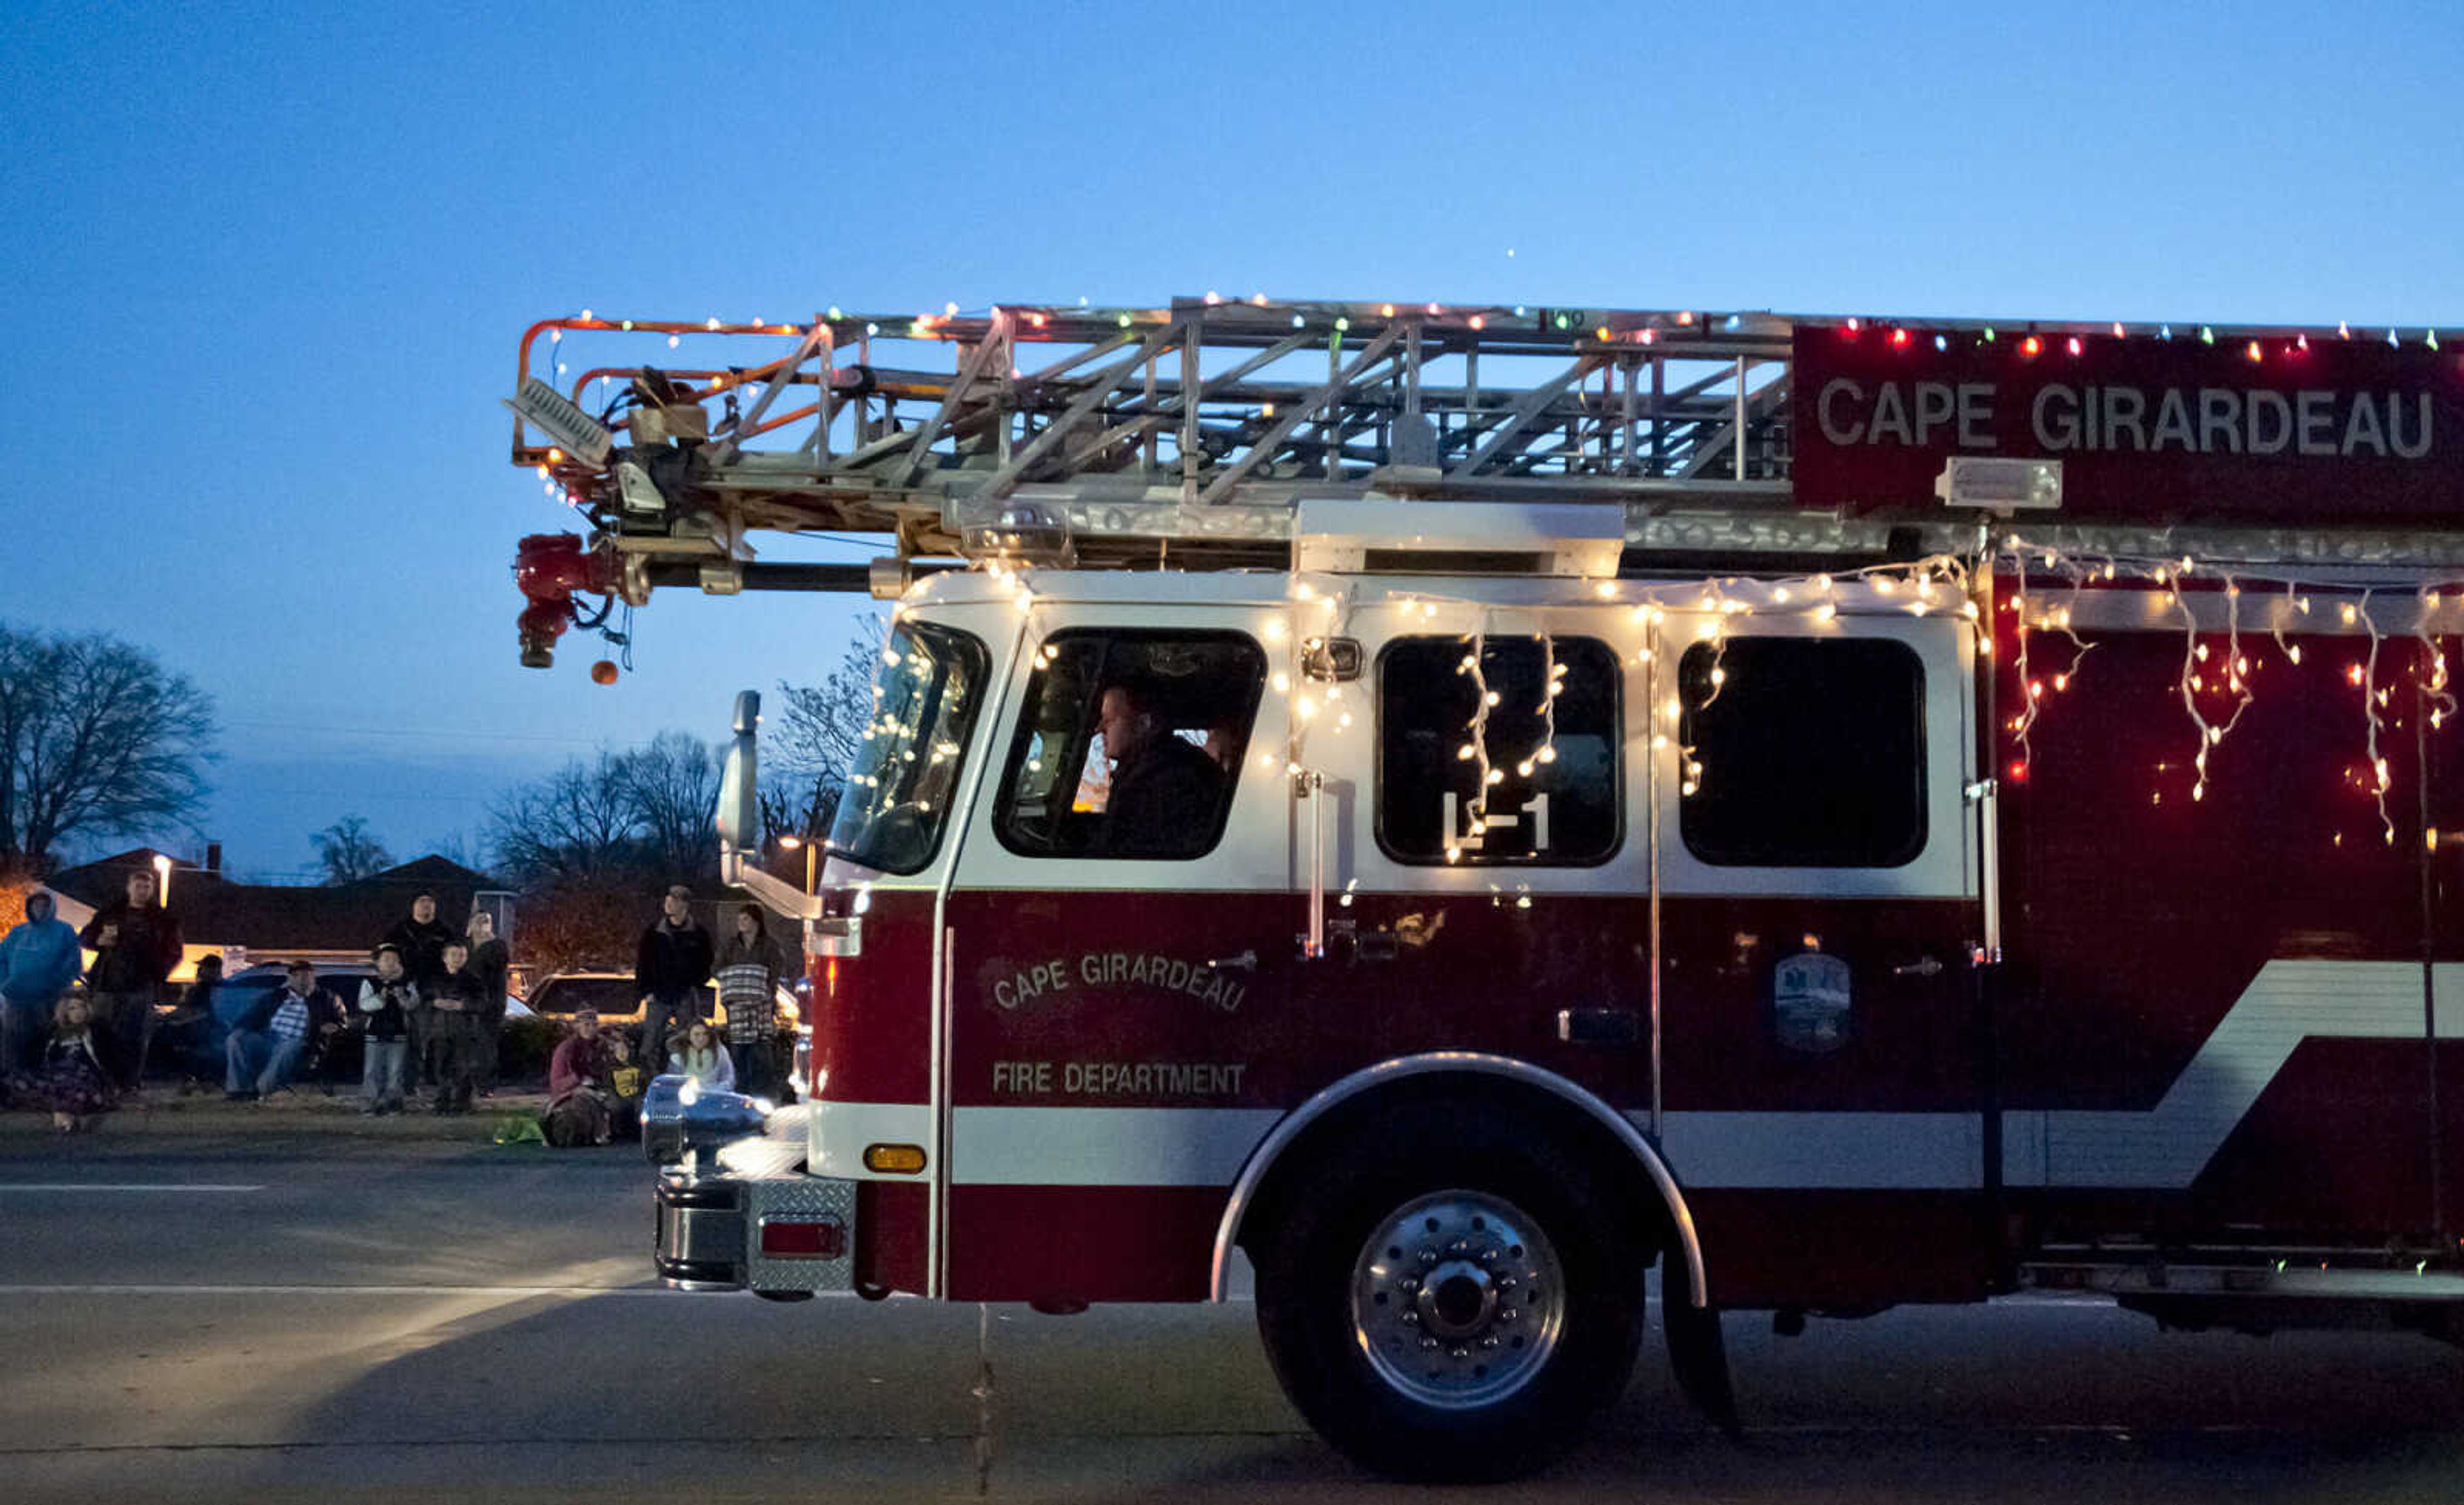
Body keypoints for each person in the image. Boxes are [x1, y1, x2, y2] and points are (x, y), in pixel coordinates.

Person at [79, 868, 184, 1092]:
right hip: (107, 983)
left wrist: (158, 972)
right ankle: (104, 1079)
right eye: (138, 886)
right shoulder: (110, 913)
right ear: (129, 888)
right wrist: (99, 940)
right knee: (102, 1033)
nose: (142, 891)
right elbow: (86, 937)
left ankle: (130, 1082)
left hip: (141, 984)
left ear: (152, 890)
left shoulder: (163, 920)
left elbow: (175, 952)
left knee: (135, 1036)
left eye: (146, 887)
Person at [1094, 680, 1224, 856]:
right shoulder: (1152, 767)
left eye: (1109, 720)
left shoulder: (1165, 779)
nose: (1099, 728)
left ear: (1143, 723)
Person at [223, 961, 341, 1101]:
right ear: (290, 978)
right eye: (298, 976)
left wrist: (334, 1027)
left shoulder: (327, 998)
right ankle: (239, 1090)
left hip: (303, 1045)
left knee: (289, 1046)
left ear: (313, 978)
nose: (304, 981)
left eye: (308, 977)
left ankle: (261, 1090)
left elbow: (341, 1021)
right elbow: (251, 1017)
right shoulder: (275, 996)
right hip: (269, 1040)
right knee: (236, 1039)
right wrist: (239, 1028)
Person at [0, 891, 84, 1076]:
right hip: (16, 998)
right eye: (36, 904)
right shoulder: (18, 932)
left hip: (48, 999)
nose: (40, 908)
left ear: (51, 907)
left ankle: (40, 1084)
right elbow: (2, 958)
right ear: (30, 907)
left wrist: (55, 985)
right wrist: (5, 983)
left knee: (42, 1042)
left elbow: (73, 963)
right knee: (12, 1044)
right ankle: (13, 1083)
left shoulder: (64, 931)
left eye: (44, 905)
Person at [6, 992, 116, 1132]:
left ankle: (63, 1115)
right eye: (72, 1008)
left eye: (82, 1007)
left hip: (85, 1073)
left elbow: (112, 1057)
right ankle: (63, 1113)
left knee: (73, 1086)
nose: (78, 1012)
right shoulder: (53, 1032)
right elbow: (36, 1053)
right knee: (19, 1081)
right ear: (64, 1012)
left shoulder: (97, 1029)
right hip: (57, 1071)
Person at [634, 884, 713, 1074]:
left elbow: (708, 962)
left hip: (685, 994)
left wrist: (696, 983)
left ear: (684, 905)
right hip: (659, 995)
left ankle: (688, 1080)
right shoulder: (654, 933)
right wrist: (647, 991)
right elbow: (642, 963)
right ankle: (649, 1084)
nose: (668, 905)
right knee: (650, 1043)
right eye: (667, 900)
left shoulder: (698, 934)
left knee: (688, 1042)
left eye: (673, 901)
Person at [382, 893, 456, 1089]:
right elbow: (385, 958)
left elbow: (454, 960)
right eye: (422, 901)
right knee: (408, 1039)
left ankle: (435, 1080)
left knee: (436, 1038)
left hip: (434, 992)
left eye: (430, 902)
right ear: (413, 906)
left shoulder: (445, 932)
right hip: (405, 989)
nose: (426, 906)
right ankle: (408, 1082)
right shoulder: (399, 931)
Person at [714, 905, 788, 1098]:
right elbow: (717, 968)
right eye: (740, 919)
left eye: (745, 919)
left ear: (756, 921)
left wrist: (764, 990)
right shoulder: (730, 945)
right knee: (738, 1054)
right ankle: (740, 1097)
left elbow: (775, 971)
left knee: (762, 1053)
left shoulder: (769, 945)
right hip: (737, 1010)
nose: (741, 923)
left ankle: (764, 1098)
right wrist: (739, 978)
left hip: (761, 1009)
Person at [352, 944, 418, 1115]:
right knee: (372, 1070)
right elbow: (364, 1005)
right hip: (375, 1032)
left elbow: (413, 1005)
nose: (391, 963)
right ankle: (370, 1102)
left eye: (395, 960)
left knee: (396, 1071)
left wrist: (402, 997)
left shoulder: (407, 983)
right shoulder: (369, 983)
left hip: (399, 1032)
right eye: (386, 959)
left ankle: (393, 1102)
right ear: (378, 963)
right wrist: (380, 998)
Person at [422, 940, 484, 1114]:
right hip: (440, 1030)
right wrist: (436, 1002)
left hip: (464, 1031)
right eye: (454, 955)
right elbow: (423, 1001)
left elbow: (482, 1004)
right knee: (440, 1068)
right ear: (445, 958)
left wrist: (462, 1006)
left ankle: (462, 1104)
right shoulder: (434, 980)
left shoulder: (472, 980)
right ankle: (442, 1102)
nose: (457, 959)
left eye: (462, 955)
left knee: (463, 1068)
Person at [545, 1009, 617, 1147]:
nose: (591, 1029)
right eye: (586, 1025)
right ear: (577, 1026)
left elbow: (608, 1073)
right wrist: (577, 1080)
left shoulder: (602, 1047)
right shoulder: (566, 1049)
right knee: (581, 1107)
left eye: (594, 1025)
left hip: (599, 1089)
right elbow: (556, 1085)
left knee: (617, 1105)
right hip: (571, 1093)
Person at [463, 911, 511, 1097]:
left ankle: (485, 1084)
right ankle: (464, 1082)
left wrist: (487, 942)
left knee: (486, 1044)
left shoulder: (498, 946)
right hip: (467, 1002)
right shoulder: (465, 946)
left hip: (490, 1004)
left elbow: (498, 965)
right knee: (465, 1044)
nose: (483, 924)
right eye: (479, 921)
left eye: (487, 921)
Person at [672, 1018, 735, 1092]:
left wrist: (717, 1091)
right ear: (689, 1036)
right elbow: (673, 1081)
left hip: (715, 1095)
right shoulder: (678, 1054)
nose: (701, 1038)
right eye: (697, 1035)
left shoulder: (720, 1051)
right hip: (688, 1097)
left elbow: (729, 1078)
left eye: (705, 1034)